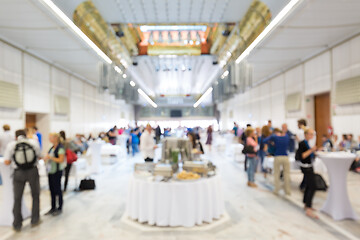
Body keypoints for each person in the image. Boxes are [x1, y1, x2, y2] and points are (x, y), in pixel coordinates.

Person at [4, 129, 41, 231]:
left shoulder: (12, 145)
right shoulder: (34, 143)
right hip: (32, 171)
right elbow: (39, 156)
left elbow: (7, 161)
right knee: (35, 195)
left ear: (16, 136)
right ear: (25, 135)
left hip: (18, 173)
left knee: (17, 198)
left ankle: (17, 223)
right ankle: (35, 219)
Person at [297, 128, 319, 219]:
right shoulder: (302, 143)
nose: (312, 136)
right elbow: (302, 156)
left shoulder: (307, 143)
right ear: (306, 134)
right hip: (306, 167)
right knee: (312, 186)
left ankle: (306, 204)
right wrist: (312, 150)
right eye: (311, 134)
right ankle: (308, 208)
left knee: (308, 185)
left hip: (309, 166)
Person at [263, 126, 291, 196]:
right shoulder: (286, 137)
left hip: (277, 156)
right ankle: (287, 191)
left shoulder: (275, 137)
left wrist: (272, 140)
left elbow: (264, 141)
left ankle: (276, 190)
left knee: (276, 174)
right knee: (286, 174)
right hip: (285, 157)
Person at [44, 133, 66, 216]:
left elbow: (61, 160)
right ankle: (53, 207)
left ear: (56, 138)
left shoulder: (60, 148)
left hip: (57, 171)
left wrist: (51, 158)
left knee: (57, 189)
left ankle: (59, 207)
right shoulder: (52, 148)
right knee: (52, 190)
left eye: (51, 137)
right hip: (50, 170)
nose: (49, 139)